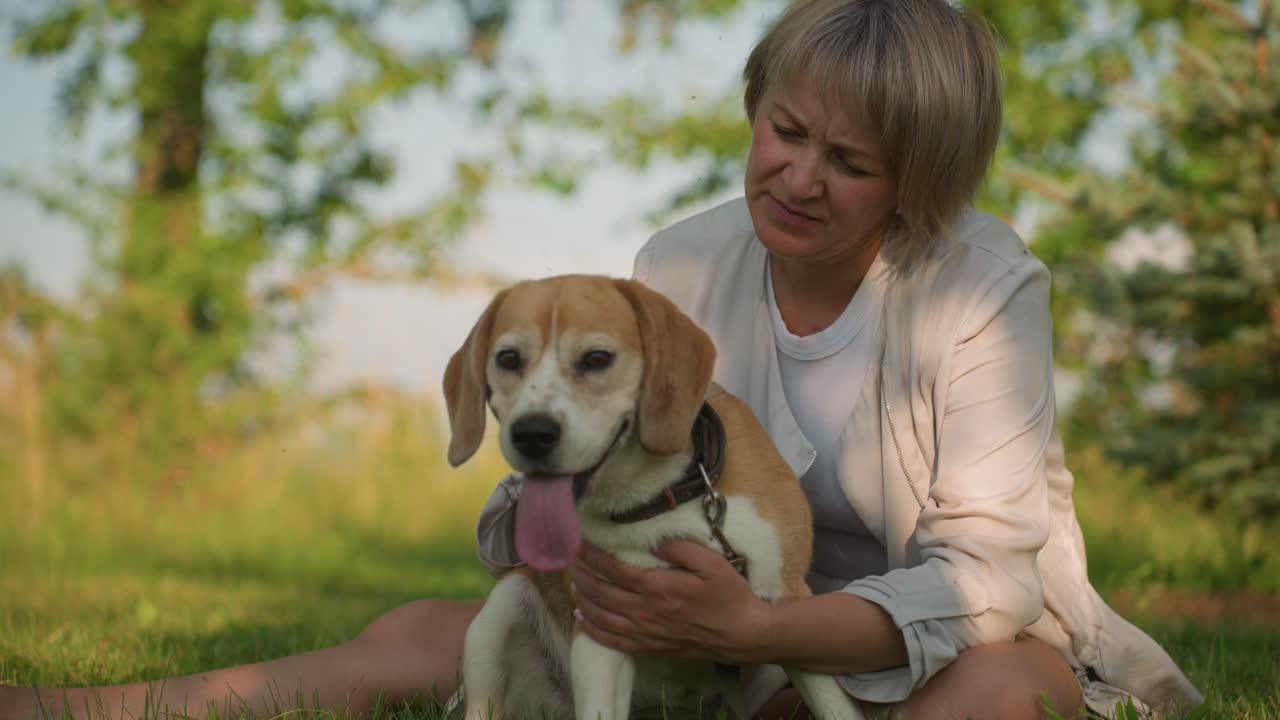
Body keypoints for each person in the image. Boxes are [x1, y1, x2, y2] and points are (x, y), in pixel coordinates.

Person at [2, 1, 1202, 719]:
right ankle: (92, 707)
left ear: (917, 184)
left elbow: (988, 577)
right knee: (437, 627)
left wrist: (760, 632)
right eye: (783, 131)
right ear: (755, 109)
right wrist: (546, 548)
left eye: (849, 161)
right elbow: (581, 458)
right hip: (686, 631)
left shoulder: (984, 285)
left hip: (899, 646)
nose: (795, 174)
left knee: (1008, 694)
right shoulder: (676, 264)